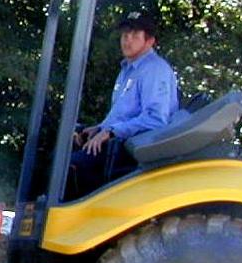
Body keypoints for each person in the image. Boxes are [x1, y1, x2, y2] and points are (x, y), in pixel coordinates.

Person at [68, 12, 178, 198]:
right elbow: (122, 114)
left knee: (70, 168)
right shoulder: (128, 69)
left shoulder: (154, 70)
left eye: (135, 36)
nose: (128, 41)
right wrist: (100, 128)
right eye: (125, 35)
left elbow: (155, 119)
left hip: (133, 152)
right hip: (119, 144)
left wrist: (111, 132)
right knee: (62, 152)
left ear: (150, 41)